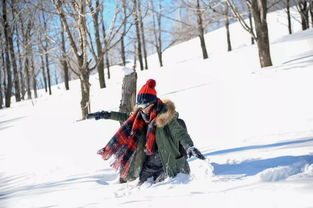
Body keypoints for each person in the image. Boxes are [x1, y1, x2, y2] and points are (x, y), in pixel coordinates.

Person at [88, 79, 205, 185]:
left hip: (167, 159)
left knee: (162, 188)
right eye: (139, 105)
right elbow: (125, 117)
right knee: (142, 185)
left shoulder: (166, 116)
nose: (142, 108)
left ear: (152, 103)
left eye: (144, 105)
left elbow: (179, 132)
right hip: (150, 159)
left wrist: (189, 146)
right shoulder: (141, 115)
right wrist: (106, 115)